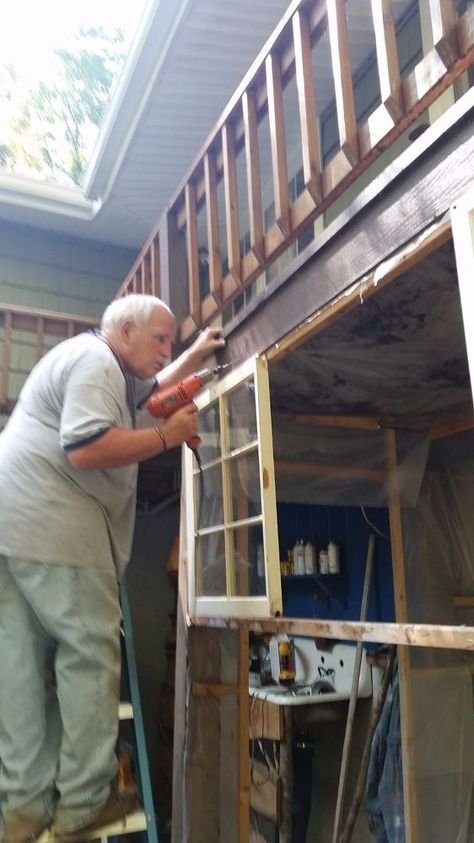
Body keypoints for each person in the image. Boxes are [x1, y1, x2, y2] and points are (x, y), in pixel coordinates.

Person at [0, 294, 225, 843]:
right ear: (123, 331)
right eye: (160, 339)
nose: (166, 351)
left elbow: (151, 390)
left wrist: (194, 354)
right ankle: (81, 804)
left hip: (15, 529)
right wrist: (165, 439)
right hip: (57, 530)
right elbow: (86, 446)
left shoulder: (100, 365)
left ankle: (23, 809)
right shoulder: (96, 362)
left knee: (22, 669)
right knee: (89, 657)